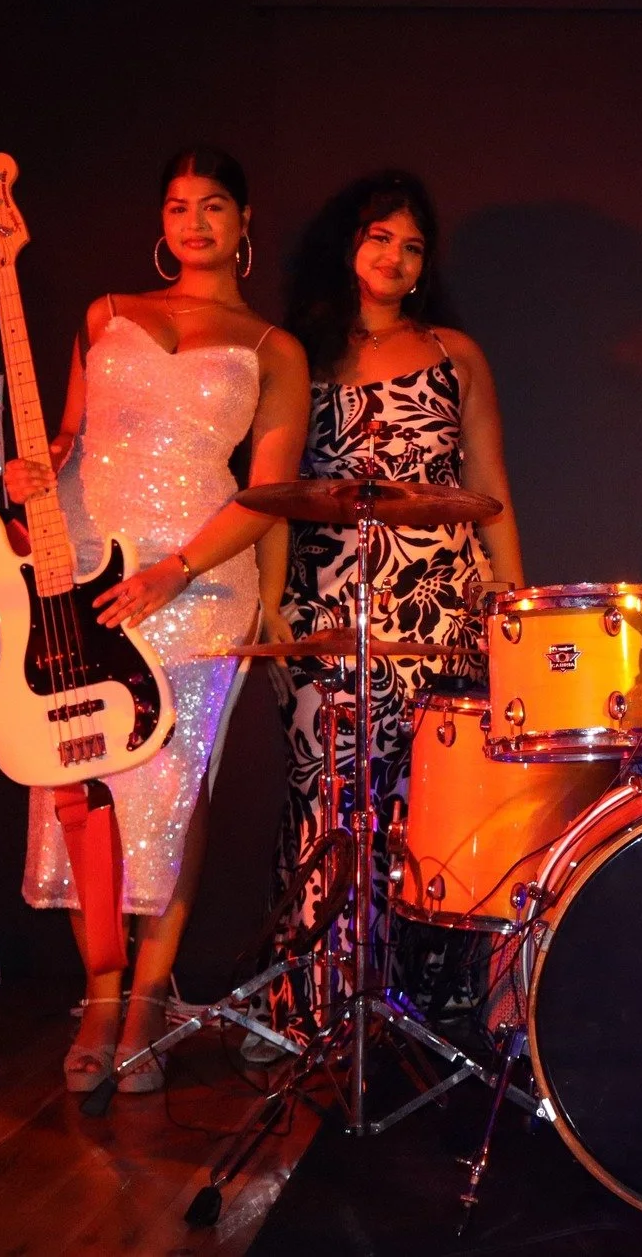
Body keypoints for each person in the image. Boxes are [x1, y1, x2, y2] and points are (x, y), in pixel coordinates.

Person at [5, 148, 311, 1093]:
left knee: (171, 804)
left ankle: (141, 1010)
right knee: (77, 789)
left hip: (200, 588)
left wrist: (178, 570)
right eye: (179, 205)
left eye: (214, 205)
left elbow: (269, 493)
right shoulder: (106, 315)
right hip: (84, 580)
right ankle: (101, 998)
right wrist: (35, 471)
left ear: (244, 222)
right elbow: (67, 437)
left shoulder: (274, 348)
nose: (195, 222)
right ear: (162, 220)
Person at [260, 170, 524, 962]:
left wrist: (509, 600)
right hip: (325, 605)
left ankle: (424, 1006)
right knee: (329, 797)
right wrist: (271, 605)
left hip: (443, 607)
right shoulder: (295, 352)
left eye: (413, 246)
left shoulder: (456, 353)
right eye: (381, 236)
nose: (396, 256)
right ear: (348, 241)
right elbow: (270, 488)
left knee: (430, 801)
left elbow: (490, 485)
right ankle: (316, 998)